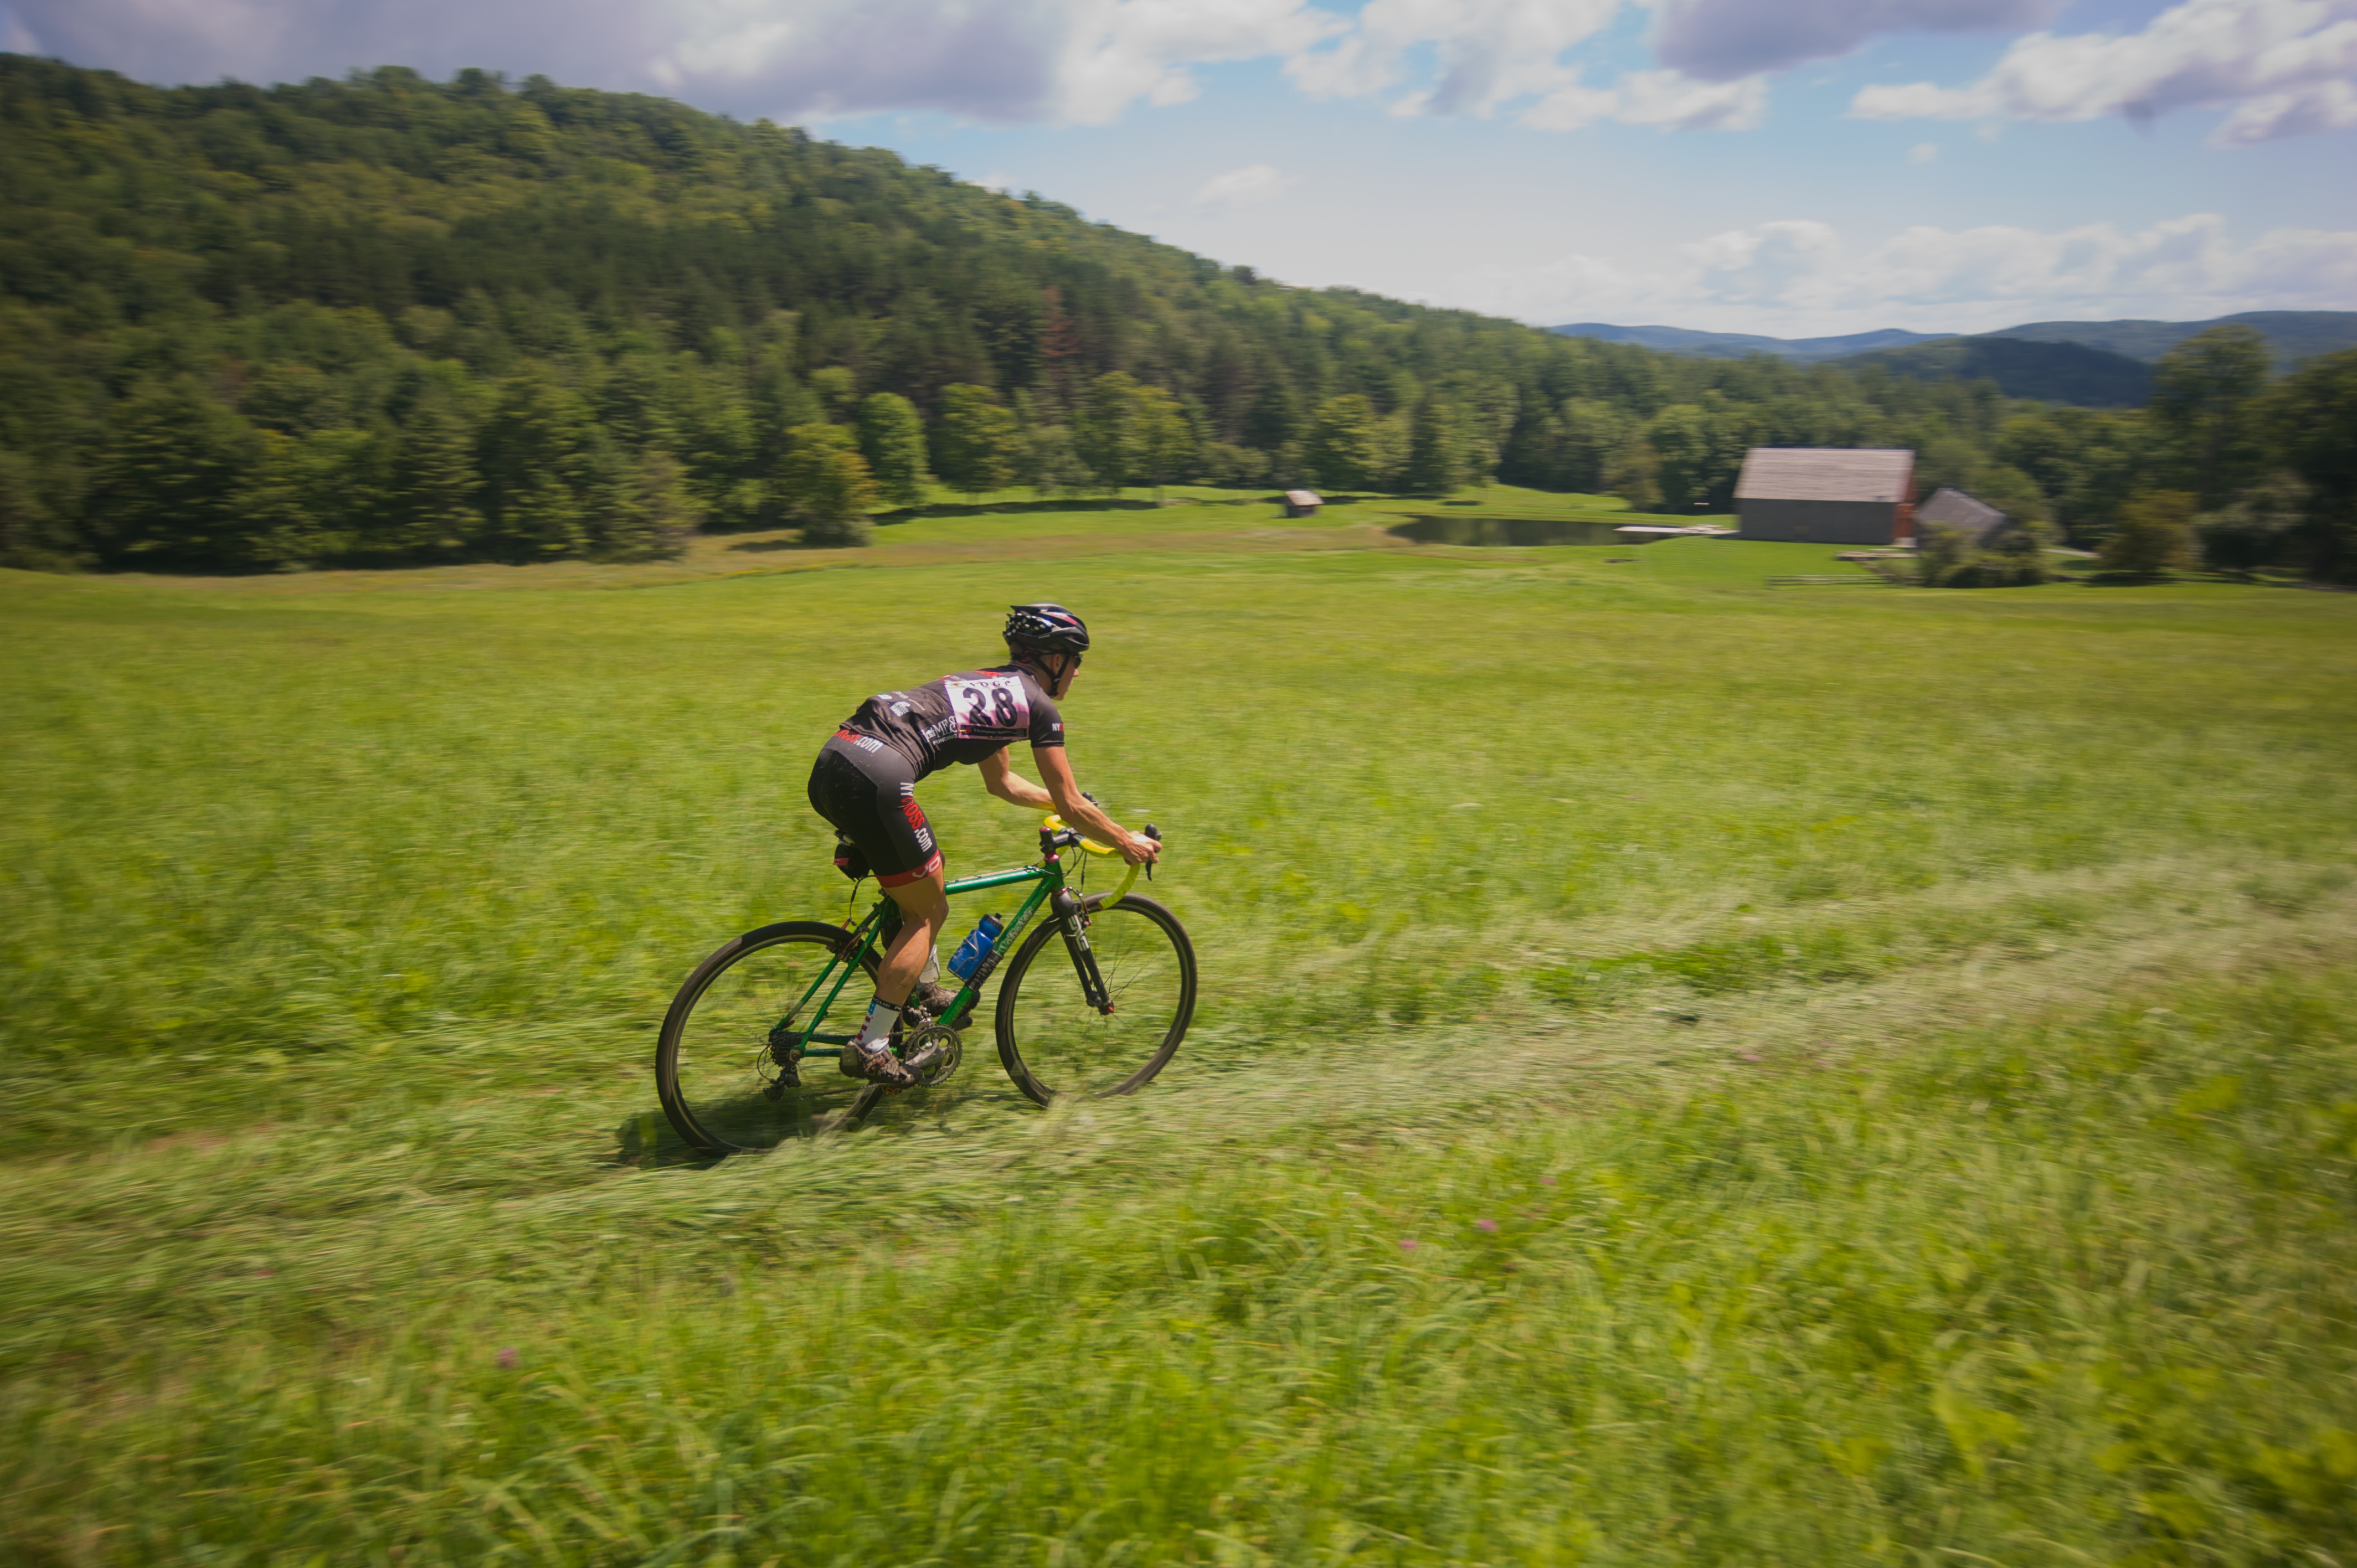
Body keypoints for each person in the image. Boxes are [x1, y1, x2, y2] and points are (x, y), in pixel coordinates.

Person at [805, 603, 1160, 1087]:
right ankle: (871, 1045)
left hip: (837, 758)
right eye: (1076, 661)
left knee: (922, 874)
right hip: (880, 778)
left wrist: (1071, 807)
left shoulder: (990, 686)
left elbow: (1006, 784)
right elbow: (1070, 803)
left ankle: (920, 992)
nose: (1077, 672)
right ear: (1055, 661)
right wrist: (1124, 840)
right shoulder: (1038, 706)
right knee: (928, 912)